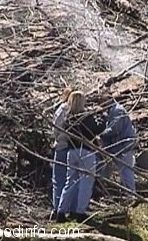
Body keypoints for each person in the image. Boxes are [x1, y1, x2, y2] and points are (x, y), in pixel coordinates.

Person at [56, 91, 105, 223]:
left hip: (71, 152)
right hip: (86, 152)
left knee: (70, 181)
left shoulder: (68, 118)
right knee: (86, 182)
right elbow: (98, 128)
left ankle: (61, 211)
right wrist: (100, 115)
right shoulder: (86, 117)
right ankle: (80, 212)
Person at [99, 99, 138, 196]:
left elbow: (115, 129)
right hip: (117, 147)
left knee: (125, 171)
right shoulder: (111, 111)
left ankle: (131, 195)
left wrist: (101, 134)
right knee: (106, 169)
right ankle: (102, 190)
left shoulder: (117, 111)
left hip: (124, 146)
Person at [50, 87, 73, 219]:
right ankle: (64, 208)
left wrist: (59, 138)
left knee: (59, 180)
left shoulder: (62, 109)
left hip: (61, 147)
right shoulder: (71, 110)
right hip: (70, 147)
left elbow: (56, 128)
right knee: (68, 180)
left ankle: (57, 207)